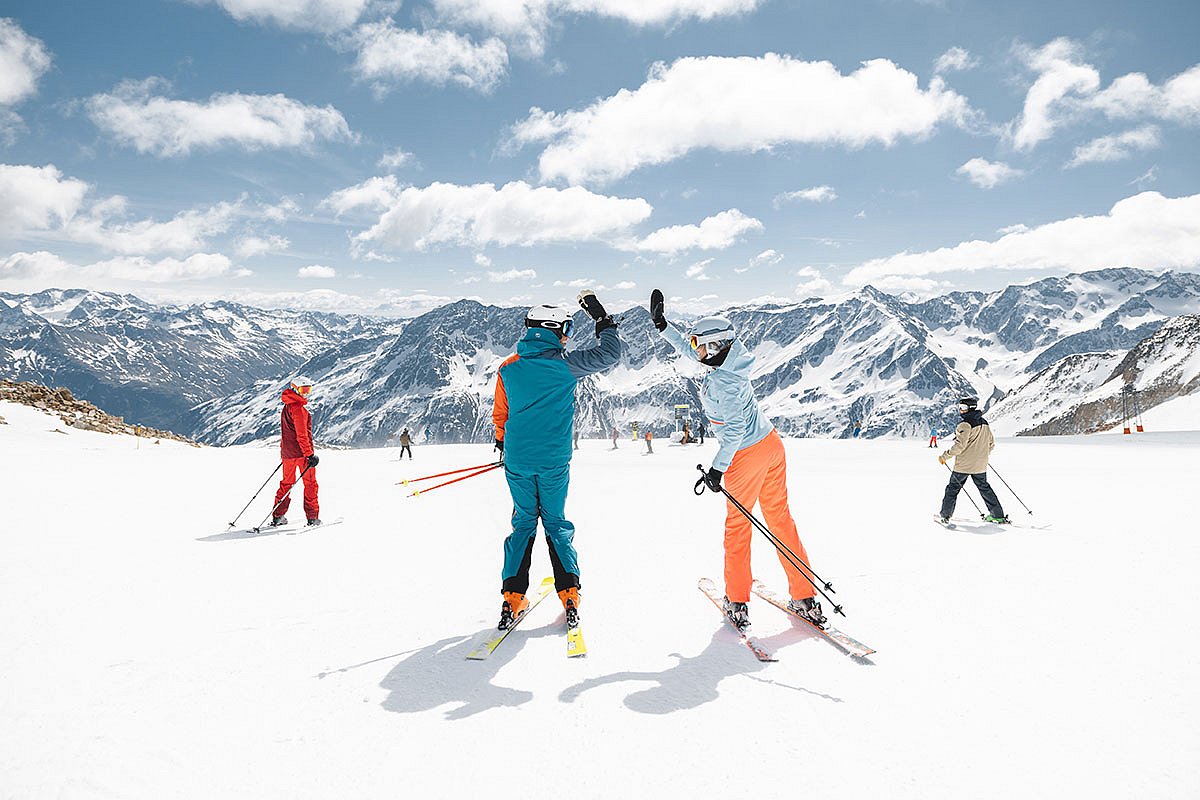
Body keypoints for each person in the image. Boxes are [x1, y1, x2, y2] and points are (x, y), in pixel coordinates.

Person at [650, 289, 825, 630]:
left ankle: (738, 601)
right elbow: (690, 353)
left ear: (716, 345)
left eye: (701, 344)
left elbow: (733, 432)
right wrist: (662, 326)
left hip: (745, 455)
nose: (697, 349)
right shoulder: (730, 360)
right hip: (771, 446)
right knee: (780, 521)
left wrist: (717, 470)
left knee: (738, 527)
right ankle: (805, 596)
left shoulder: (726, 383)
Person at [492, 291, 622, 630]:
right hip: (553, 461)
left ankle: (512, 597)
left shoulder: (508, 368)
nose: (567, 336)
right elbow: (610, 354)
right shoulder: (565, 365)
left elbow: (501, 413)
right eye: (566, 329)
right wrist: (603, 320)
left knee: (523, 523)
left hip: (517, 460)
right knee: (555, 523)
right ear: (554, 329)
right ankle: (569, 592)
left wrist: (502, 442)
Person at [938, 397, 1008, 524]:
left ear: (970, 408)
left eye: (963, 408)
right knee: (984, 488)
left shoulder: (964, 425)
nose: (960, 410)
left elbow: (959, 446)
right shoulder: (984, 423)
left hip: (963, 466)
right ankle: (998, 515)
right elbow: (991, 443)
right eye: (959, 407)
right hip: (980, 465)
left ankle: (945, 515)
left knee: (952, 489)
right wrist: (981, 455)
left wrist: (944, 457)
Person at [271, 375, 321, 527]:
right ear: (294, 389)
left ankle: (278, 515)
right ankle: (312, 517)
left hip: (288, 454)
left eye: (308, 390)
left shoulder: (287, 406)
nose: (305, 394)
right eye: (303, 390)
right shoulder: (298, 409)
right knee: (310, 484)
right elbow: (301, 435)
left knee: (286, 483)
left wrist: (286, 452)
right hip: (301, 454)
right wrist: (309, 455)